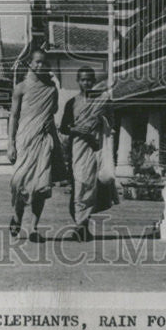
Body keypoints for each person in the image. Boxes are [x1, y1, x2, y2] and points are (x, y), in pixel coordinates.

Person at [59, 67, 119, 241]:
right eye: (83, 80)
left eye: (89, 80)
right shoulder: (72, 103)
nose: (86, 83)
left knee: (92, 186)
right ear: (78, 81)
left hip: (97, 147)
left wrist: (99, 123)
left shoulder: (103, 100)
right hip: (78, 149)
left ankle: (82, 226)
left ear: (94, 82)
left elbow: (111, 122)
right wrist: (79, 129)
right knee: (80, 183)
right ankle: (80, 224)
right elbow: (64, 128)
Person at [8, 49, 59, 241]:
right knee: (19, 183)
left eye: (44, 63)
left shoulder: (52, 89)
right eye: (37, 62)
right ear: (30, 63)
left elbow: (53, 110)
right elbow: (13, 116)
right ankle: (16, 217)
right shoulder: (20, 88)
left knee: (41, 186)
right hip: (24, 140)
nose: (41, 66)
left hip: (43, 140)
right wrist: (10, 143)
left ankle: (33, 229)